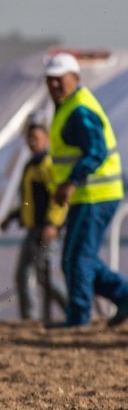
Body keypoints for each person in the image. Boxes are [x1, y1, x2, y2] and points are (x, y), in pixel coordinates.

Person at [44, 52, 128, 327]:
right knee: (78, 258)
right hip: (90, 195)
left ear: (76, 78)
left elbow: (96, 151)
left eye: (60, 80)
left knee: (77, 258)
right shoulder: (69, 105)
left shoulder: (78, 109)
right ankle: (124, 296)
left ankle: (78, 318)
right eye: (50, 80)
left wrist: (71, 182)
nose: (55, 85)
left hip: (96, 195)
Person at [0, 121, 68, 322]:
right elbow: (30, 201)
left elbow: (58, 198)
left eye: (36, 138)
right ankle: (29, 319)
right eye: (29, 138)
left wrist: (53, 224)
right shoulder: (30, 166)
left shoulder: (48, 165)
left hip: (46, 230)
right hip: (32, 230)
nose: (32, 142)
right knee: (23, 275)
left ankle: (72, 309)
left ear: (46, 139)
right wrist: (12, 217)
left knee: (44, 277)